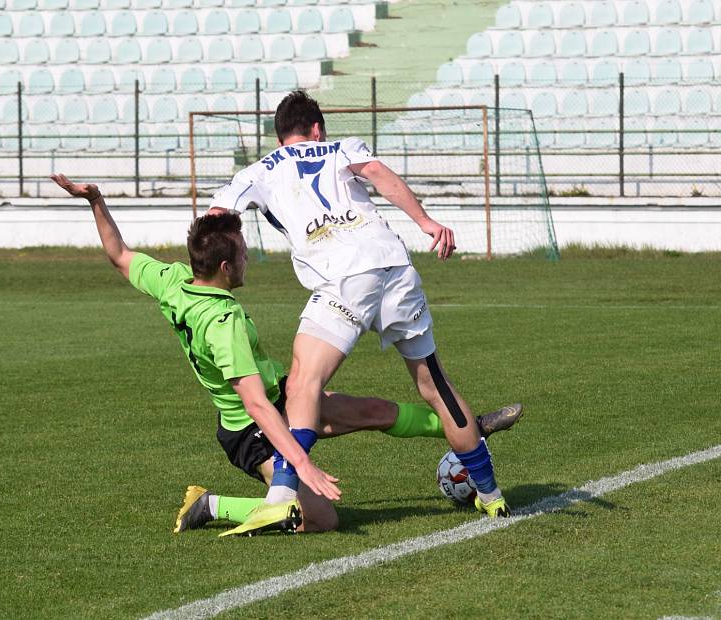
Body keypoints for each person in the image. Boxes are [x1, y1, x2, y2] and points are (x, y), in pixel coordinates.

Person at [50, 174, 523, 536]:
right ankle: (210, 505)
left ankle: (469, 428)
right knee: (320, 518)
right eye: (242, 253)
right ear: (223, 266)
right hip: (251, 432)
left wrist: (95, 200)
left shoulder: (174, 280)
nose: (248, 259)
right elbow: (255, 405)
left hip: (278, 400)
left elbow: (119, 254)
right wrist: (303, 462)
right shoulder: (223, 325)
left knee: (374, 411)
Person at [209, 90, 512, 521]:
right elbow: (376, 172)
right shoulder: (343, 147)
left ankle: (282, 492)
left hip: (345, 276)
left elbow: (217, 213)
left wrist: (218, 260)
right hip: (394, 264)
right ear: (317, 128)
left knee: (302, 384)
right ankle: (492, 495)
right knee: (435, 386)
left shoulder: (259, 171)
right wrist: (425, 222)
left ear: (281, 139)